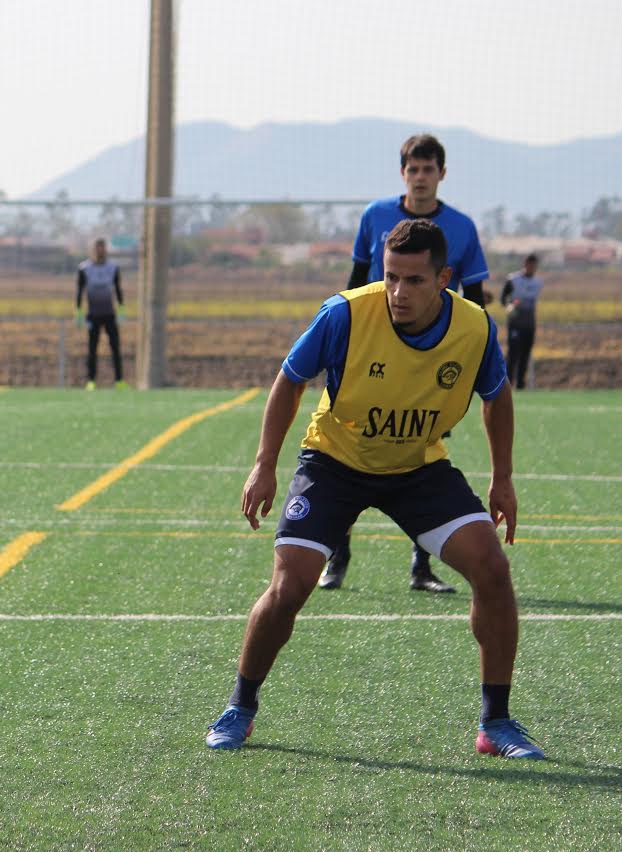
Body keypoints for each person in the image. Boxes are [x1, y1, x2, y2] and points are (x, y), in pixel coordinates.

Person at [205, 218, 542, 760]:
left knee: (492, 570)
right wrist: (263, 464)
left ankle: (496, 723)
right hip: (334, 463)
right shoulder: (344, 313)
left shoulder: (475, 327)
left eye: (413, 280)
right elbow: (290, 379)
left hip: (418, 469)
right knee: (290, 586)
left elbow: (497, 395)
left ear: (444, 278)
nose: (397, 292)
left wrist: (503, 478)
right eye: (390, 278)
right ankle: (240, 707)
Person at [323, 133, 491, 593]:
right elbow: (357, 283)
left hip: (433, 369)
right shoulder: (375, 216)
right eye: (412, 169)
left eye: (428, 169)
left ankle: (422, 567)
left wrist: (473, 357)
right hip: (372, 361)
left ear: (441, 173)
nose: (420, 177)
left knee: (423, 454)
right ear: (403, 173)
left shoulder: (462, 226)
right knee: (348, 450)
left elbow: (474, 302)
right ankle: (337, 555)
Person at [75, 237, 126, 390]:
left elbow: (118, 289)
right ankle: (91, 381)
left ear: (106, 250)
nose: (100, 251)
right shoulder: (84, 268)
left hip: (109, 314)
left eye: (102, 248)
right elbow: (80, 291)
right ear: (92, 249)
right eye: (97, 248)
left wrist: (121, 309)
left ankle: (119, 381)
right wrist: (78, 311)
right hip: (93, 315)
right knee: (92, 349)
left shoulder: (113, 268)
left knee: (115, 348)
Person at [501, 254, 542, 390]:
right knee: (513, 354)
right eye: (529, 264)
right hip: (515, 323)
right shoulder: (513, 280)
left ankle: (520, 385)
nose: (531, 268)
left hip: (529, 323)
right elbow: (503, 299)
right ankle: (506, 384)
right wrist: (510, 307)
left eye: (534, 265)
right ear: (525, 264)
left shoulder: (538, 282)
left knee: (525, 354)